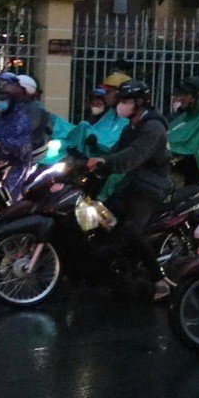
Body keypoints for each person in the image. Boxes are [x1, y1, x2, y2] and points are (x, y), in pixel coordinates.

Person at [83, 80, 173, 300]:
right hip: (132, 184)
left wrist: (105, 162)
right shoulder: (132, 125)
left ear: (140, 103)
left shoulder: (153, 128)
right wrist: (89, 162)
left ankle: (158, 280)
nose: (120, 105)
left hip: (150, 188)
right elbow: (117, 151)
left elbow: (132, 156)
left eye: (125, 101)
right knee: (103, 218)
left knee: (131, 231)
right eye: (120, 100)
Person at [0, 73, 50, 173]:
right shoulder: (11, 107)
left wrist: (0, 143)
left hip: (23, 157)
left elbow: (22, 137)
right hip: (2, 153)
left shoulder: (34, 110)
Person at [64, 87, 125, 160]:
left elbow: (108, 138)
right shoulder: (88, 118)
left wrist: (96, 143)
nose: (96, 105)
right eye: (93, 103)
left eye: (99, 103)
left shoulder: (109, 118)